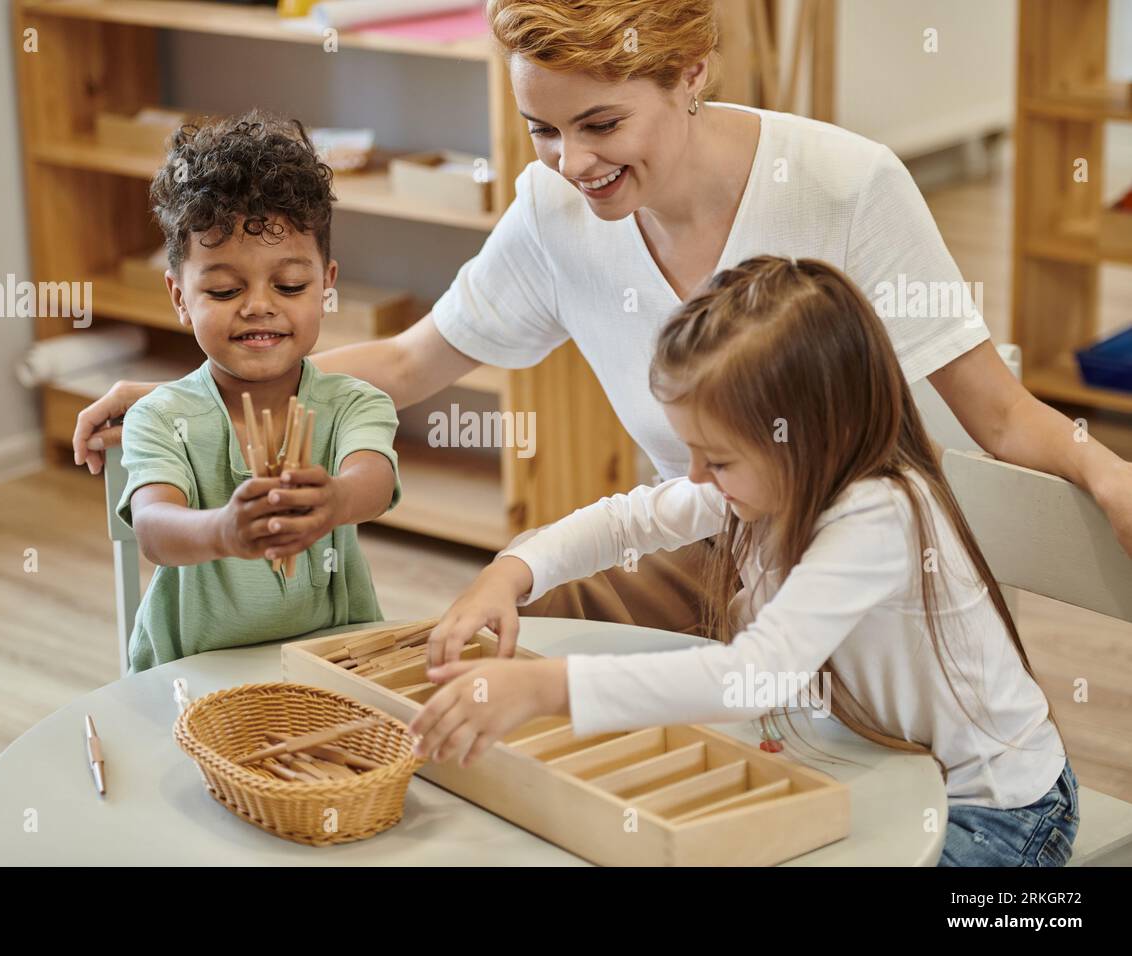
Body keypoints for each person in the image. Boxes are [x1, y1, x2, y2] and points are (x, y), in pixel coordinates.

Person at [74, 0, 1132, 636]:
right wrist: (191, 393)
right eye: (541, 127)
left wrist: (1104, 470)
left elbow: (994, 416)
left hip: (857, 572)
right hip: (698, 544)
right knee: (489, 667)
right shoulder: (555, 207)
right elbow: (406, 359)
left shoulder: (846, 185)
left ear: (690, 73)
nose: (572, 163)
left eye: (600, 123)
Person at [411, 256, 1078, 867]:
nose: (697, 476)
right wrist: (510, 572)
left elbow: (753, 678)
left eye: (719, 458)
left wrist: (546, 688)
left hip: (998, 816)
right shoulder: (768, 483)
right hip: (880, 771)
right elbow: (626, 521)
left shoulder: (879, 515)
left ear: (816, 435)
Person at [116, 111, 400, 672]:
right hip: (193, 673)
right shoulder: (160, 416)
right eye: (224, 290)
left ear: (327, 286)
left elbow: (374, 480)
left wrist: (334, 502)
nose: (258, 306)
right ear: (179, 296)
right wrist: (223, 530)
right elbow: (154, 530)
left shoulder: (351, 403)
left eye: (290, 285)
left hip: (330, 665)